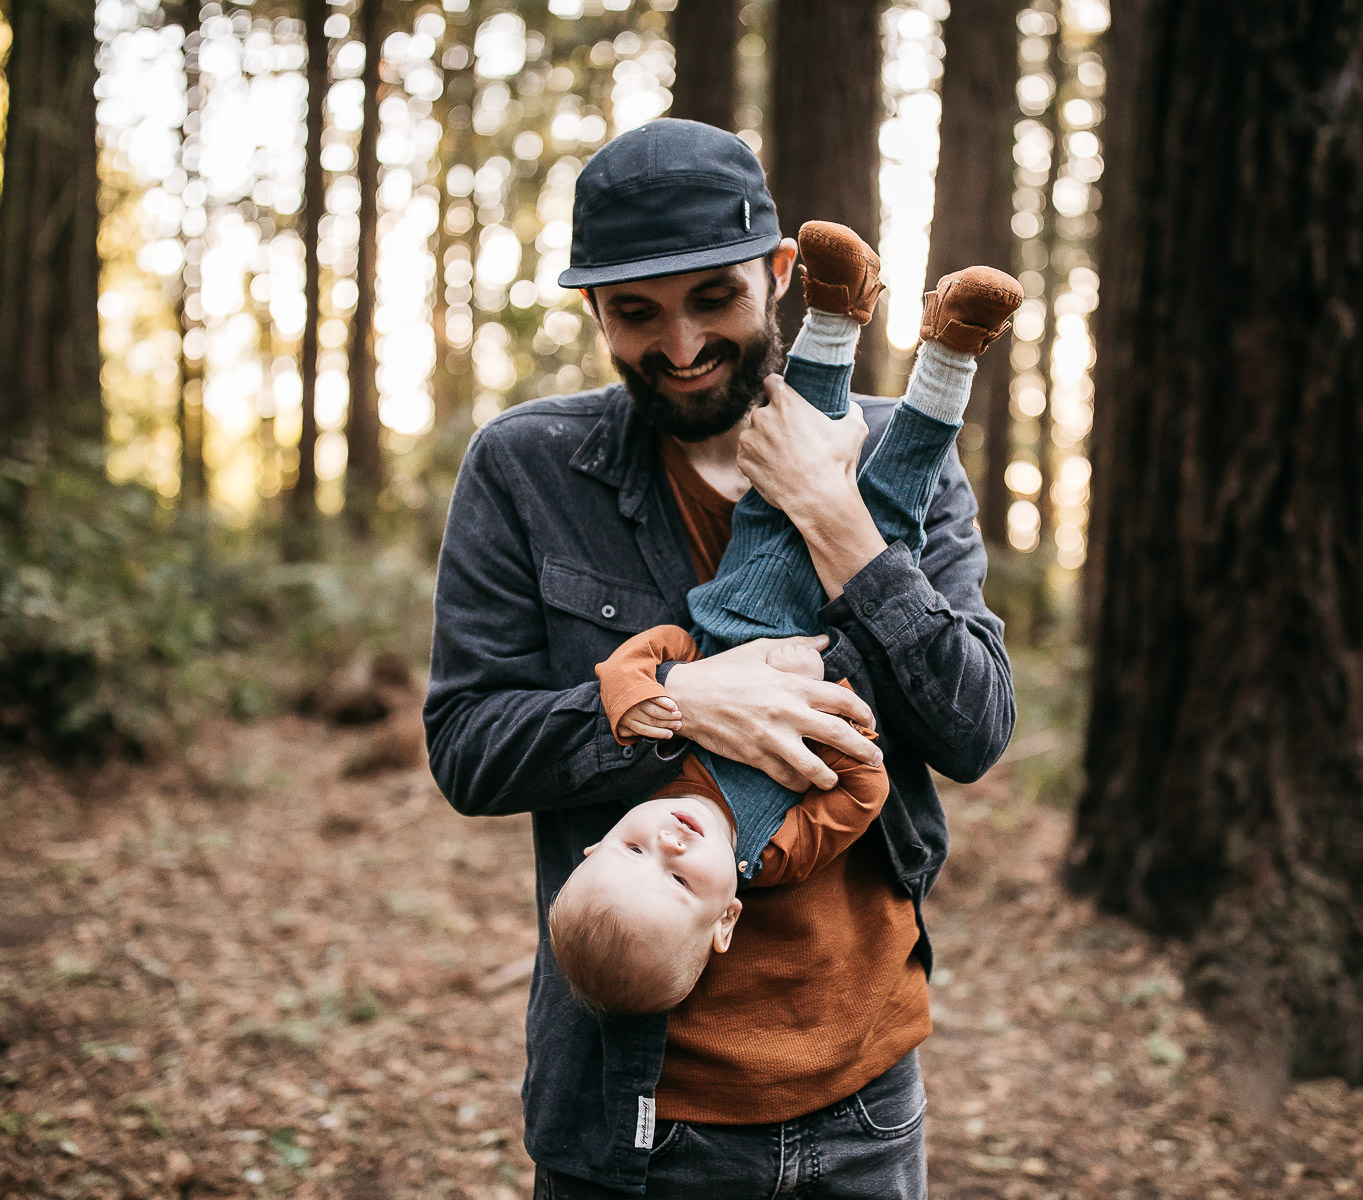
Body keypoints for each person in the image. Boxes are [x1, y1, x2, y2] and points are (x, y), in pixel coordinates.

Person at [425, 118, 1014, 1198]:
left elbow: (975, 729)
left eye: (713, 299)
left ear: (781, 274)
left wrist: (836, 515)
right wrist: (681, 702)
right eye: (636, 313)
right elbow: (467, 746)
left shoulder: (902, 453)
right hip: (635, 1109)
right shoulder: (525, 469)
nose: (683, 343)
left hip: (864, 1090)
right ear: (596, 312)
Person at [547, 221, 1022, 1020]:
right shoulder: (772, 853)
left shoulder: (653, 766)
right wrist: (846, 729)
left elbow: (649, 655)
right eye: (678, 880)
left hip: (751, 587)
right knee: (897, 496)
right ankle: (953, 349)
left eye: (632, 848)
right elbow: (857, 797)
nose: (667, 844)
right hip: (844, 639)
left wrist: (670, 691)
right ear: (725, 917)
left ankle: (834, 310)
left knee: (778, 501)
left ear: (598, 840)